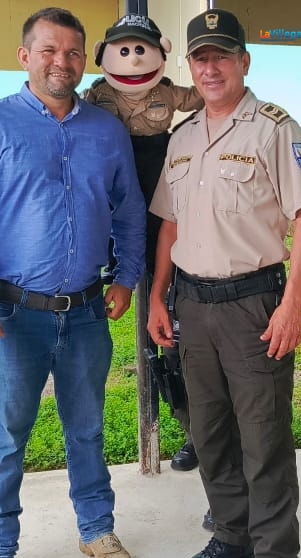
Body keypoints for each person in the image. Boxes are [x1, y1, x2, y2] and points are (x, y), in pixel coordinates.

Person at [0, 7, 146, 558]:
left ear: (84, 60)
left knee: (88, 429)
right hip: (12, 314)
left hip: (86, 311)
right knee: (7, 438)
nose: (62, 62)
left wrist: (127, 277)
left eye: (73, 52)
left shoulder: (106, 130)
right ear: (25, 56)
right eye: (49, 50)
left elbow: (129, 209)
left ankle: (97, 531)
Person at [148, 8, 301, 558]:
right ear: (190, 66)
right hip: (192, 306)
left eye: (222, 55)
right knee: (210, 431)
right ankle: (233, 536)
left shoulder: (274, 129)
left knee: (263, 437)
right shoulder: (182, 137)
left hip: (254, 306)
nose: (211, 68)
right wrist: (158, 297)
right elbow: (169, 226)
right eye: (201, 58)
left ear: (244, 61)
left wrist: (293, 304)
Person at [82, 12, 205, 476]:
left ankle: (197, 432)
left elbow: (205, 97)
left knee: (173, 336)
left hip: (164, 235)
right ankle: (82, 447)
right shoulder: (89, 102)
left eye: (142, 49)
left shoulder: (177, 120)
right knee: (80, 342)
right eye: (124, 50)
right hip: (100, 238)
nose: (133, 60)